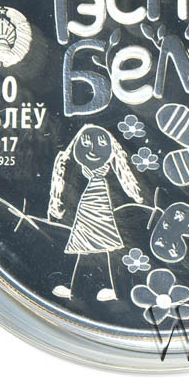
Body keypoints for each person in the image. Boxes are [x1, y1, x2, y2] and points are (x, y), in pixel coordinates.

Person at [47, 124, 143, 301]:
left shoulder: (111, 176)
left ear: (112, 149)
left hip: (101, 216)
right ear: (74, 148)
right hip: (86, 216)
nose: (93, 150)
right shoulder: (74, 174)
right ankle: (73, 286)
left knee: (104, 248)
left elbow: (127, 193)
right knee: (82, 248)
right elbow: (62, 193)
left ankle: (109, 287)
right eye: (85, 143)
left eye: (102, 144)